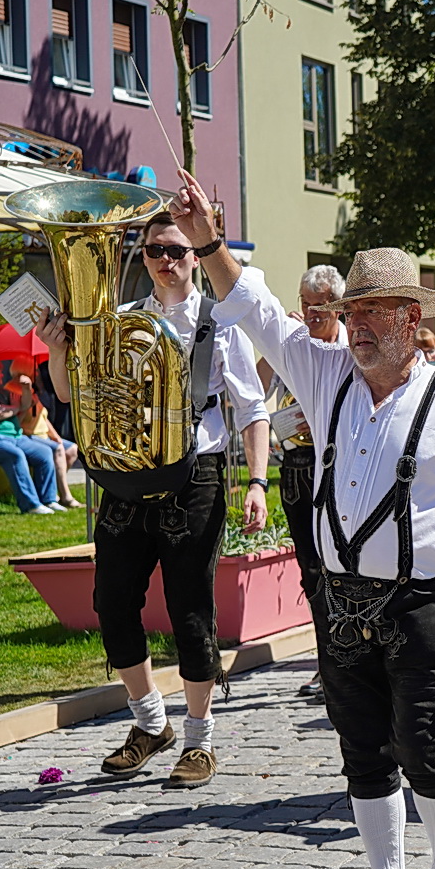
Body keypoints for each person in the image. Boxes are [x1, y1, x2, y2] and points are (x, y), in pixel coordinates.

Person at [169, 168, 435, 869]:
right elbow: (256, 310)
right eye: (349, 311)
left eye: (370, 313)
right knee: (361, 747)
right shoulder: (326, 374)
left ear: (409, 318)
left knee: (425, 744)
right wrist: (207, 240)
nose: (355, 325)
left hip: (426, 598)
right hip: (339, 600)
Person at [34, 207, 271, 793]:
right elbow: (73, 396)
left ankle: (199, 738)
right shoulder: (122, 319)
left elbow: (253, 408)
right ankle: (150, 723)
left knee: (190, 612)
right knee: (111, 604)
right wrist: (58, 349)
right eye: (154, 252)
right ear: (142, 260)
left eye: (176, 250)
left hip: (196, 475)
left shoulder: (223, 321)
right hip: (127, 477)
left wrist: (259, 483)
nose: (166, 262)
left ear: (196, 256)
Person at [263, 263, 346, 701]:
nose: (312, 314)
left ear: (338, 307)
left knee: (346, 566)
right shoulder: (293, 343)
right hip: (298, 465)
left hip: (341, 462)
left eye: (321, 307)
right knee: (312, 571)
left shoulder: (351, 346)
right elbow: (255, 388)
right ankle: (325, 662)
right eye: (306, 305)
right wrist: (276, 345)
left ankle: (349, 658)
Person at [0, 360, 63, 516]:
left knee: (44, 453)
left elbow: (24, 406)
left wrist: (26, 389)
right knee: (14, 455)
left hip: (13, 437)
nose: (2, 375)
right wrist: (15, 408)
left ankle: (49, 499)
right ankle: (31, 505)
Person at [8, 356, 82, 509]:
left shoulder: (36, 390)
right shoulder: (16, 390)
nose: (38, 372)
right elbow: (18, 418)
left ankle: (55, 490)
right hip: (29, 434)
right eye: (34, 369)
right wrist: (26, 398)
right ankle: (64, 496)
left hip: (43, 434)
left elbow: (43, 417)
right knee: (58, 450)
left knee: (72, 449)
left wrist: (56, 436)